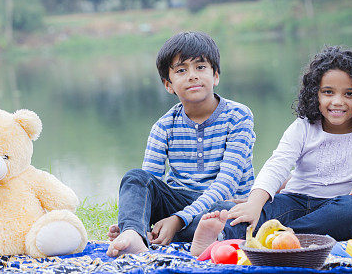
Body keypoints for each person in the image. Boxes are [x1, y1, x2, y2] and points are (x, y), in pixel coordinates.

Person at [190, 46, 352, 257]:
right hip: (294, 200)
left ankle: (280, 237)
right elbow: (278, 164)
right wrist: (254, 203)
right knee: (239, 210)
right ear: (315, 93)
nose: (337, 101)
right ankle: (219, 237)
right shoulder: (305, 126)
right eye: (328, 92)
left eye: (349, 94)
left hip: (334, 207)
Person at [106, 31, 255, 257]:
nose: (192, 76)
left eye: (201, 67)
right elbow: (150, 184)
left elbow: (227, 184)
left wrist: (177, 220)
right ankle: (136, 234)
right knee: (135, 178)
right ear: (168, 84)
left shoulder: (238, 116)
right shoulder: (163, 126)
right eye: (181, 70)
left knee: (230, 216)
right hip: (179, 201)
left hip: (223, 202)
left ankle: (168, 234)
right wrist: (137, 217)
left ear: (215, 76)